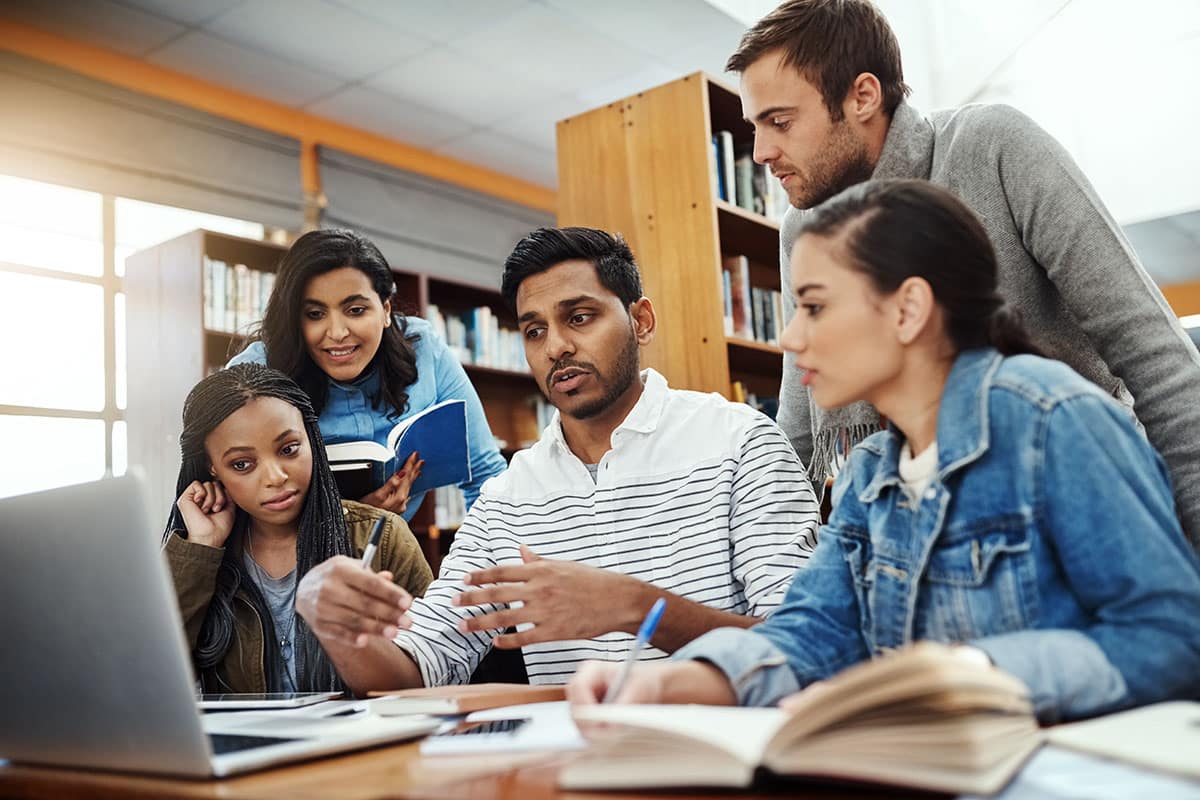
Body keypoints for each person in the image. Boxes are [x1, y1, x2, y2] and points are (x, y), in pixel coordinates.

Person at [567, 180, 1200, 723]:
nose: (789, 337)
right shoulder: (869, 475)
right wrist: (664, 684)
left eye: (813, 306)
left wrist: (971, 674)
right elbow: (811, 633)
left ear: (907, 309)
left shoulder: (1056, 421)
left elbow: (1173, 640)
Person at [728, 0, 1200, 548]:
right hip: (916, 539)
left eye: (779, 122)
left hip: (1079, 503)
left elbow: (1152, 356)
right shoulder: (801, 226)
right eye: (755, 127)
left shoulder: (994, 146)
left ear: (862, 96)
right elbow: (802, 428)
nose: (761, 152)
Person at [291, 226, 821, 694]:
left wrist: (636, 607)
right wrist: (334, 624)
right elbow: (416, 667)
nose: (556, 347)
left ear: (641, 321)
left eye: (580, 317)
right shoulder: (509, 498)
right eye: (534, 330)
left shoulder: (740, 443)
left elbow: (810, 649)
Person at [163, 363, 433, 693]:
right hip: (248, 743)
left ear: (311, 439)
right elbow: (151, 678)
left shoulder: (383, 536)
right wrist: (202, 548)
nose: (275, 477)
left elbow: (432, 669)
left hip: (365, 741)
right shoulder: (200, 552)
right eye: (242, 464)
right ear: (212, 468)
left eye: (289, 449)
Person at [228, 228, 507, 520]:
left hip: (387, 555)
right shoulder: (255, 373)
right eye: (314, 314)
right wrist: (355, 519)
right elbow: (228, 502)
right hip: (287, 561)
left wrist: (482, 560)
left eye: (356, 310)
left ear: (385, 309)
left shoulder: (424, 347)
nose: (337, 333)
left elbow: (487, 475)